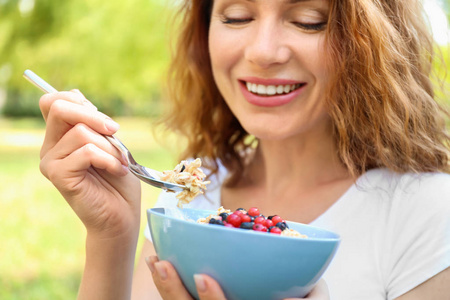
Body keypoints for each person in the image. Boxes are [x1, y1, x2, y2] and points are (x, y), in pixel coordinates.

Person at [37, 0, 450, 299]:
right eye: (237, 16)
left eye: (309, 21)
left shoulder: (427, 212)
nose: (263, 52)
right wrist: (111, 237)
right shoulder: (196, 196)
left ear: (373, 43)